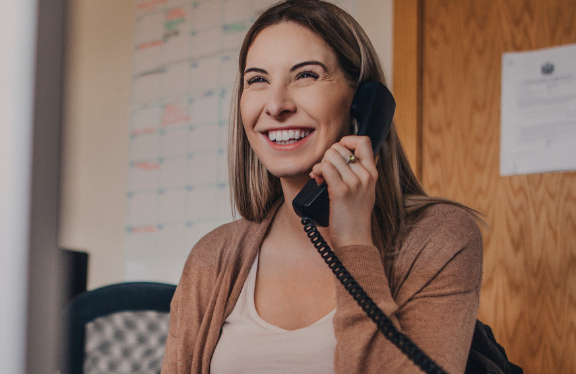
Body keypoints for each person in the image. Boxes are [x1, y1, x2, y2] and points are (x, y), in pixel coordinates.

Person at [161, 1, 483, 373]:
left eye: (306, 75)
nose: (276, 104)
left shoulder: (441, 238)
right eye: (258, 80)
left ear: (363, 104)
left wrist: (354, 245)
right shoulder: (212, 258)